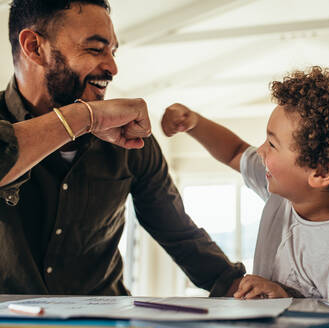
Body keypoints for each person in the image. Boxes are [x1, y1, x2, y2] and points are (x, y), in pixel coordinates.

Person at [0, 0, 244, 295]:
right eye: (95, 49)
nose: (112, 67)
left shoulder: (132, 140)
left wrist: (237, 286)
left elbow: (177, 231)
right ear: (34, 47)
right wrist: (87, 117)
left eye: (112, 51)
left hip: (104, 318)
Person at [161, 66, 329, 300]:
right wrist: (194, 122)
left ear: (320, 173)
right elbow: (235, 151)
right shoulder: (285, 193)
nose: (260, 150)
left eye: (272, 144)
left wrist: (288, 298)